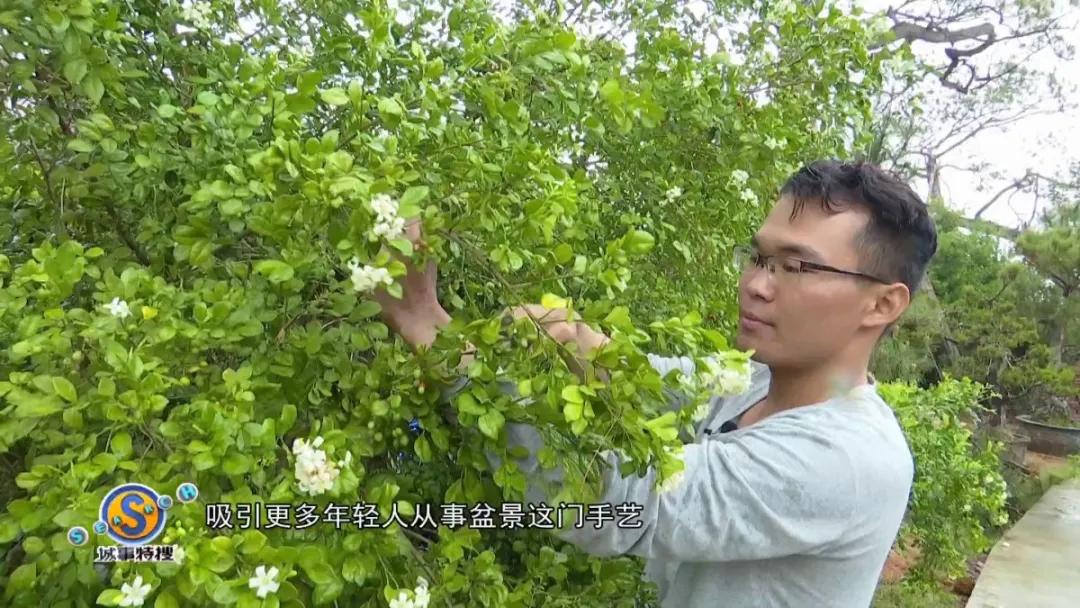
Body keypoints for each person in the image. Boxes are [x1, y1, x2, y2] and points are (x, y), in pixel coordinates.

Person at [373, 159, 938, 607]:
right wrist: (566, 337)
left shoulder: (848, 459)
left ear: (882, 304)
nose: (757, 286)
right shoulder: (756, 382)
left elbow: (615, 504)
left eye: (799, 266)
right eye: (759, 257)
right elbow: (645, 380)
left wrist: (428, 326)